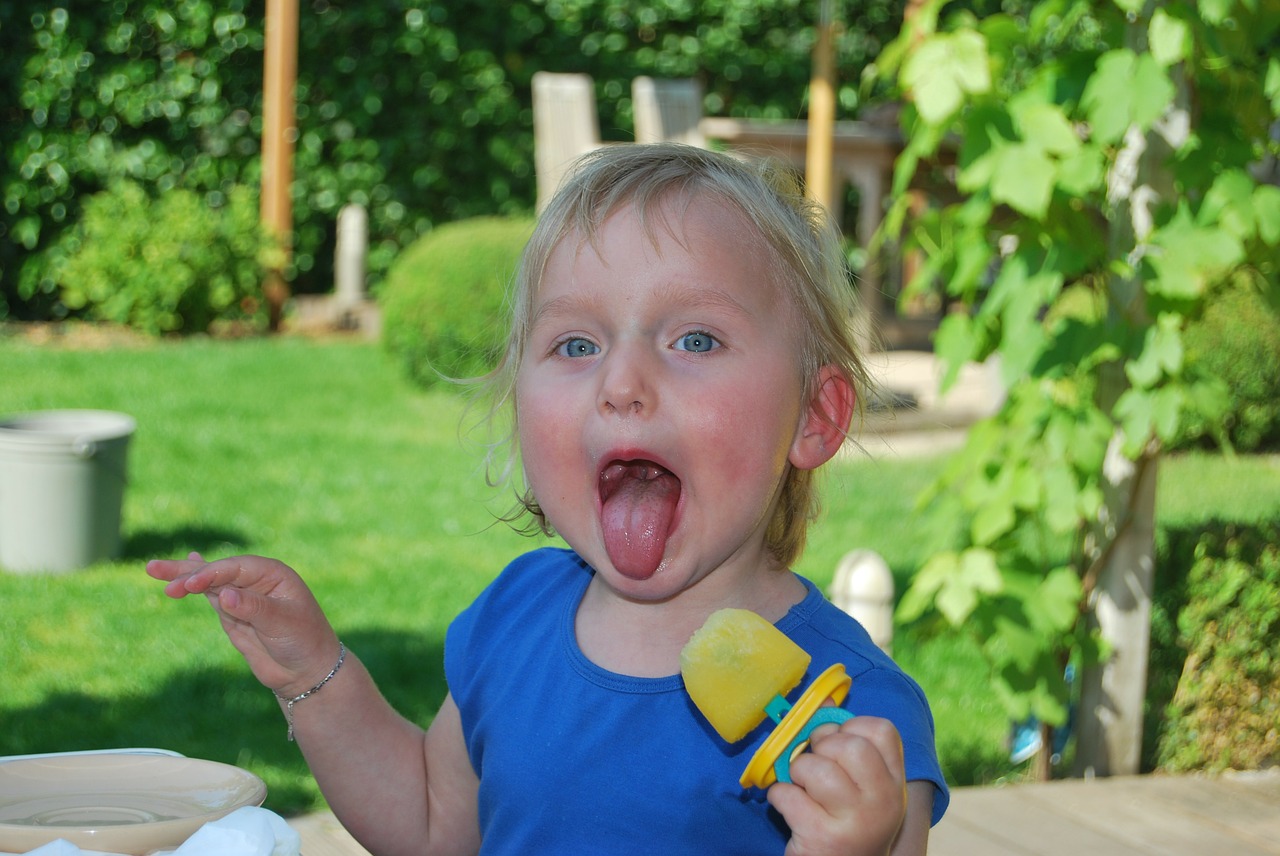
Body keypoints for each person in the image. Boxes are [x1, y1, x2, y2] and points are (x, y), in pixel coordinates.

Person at [148, 143, 949, 856]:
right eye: (576, 344)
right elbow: (431, 824)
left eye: (694, 340)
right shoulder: (517, 617)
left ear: (815, 416)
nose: (622, 384)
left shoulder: (857, 714)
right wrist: (314, 675)